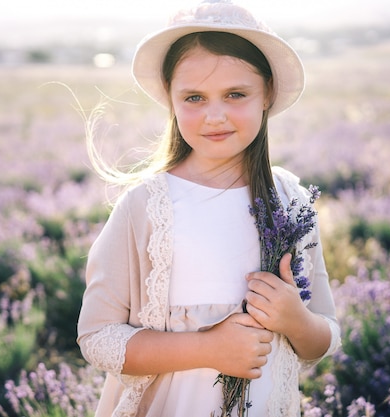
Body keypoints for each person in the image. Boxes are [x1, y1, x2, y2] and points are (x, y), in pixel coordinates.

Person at [77, 1, 341, 416]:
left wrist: (295, 320)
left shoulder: (290, 201)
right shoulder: (146, 206)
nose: (214, 115)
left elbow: (322, 338)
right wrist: (207, 348)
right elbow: (98, 338)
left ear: (268, 92)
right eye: (194, 97)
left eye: (235, 94)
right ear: (170, 99)